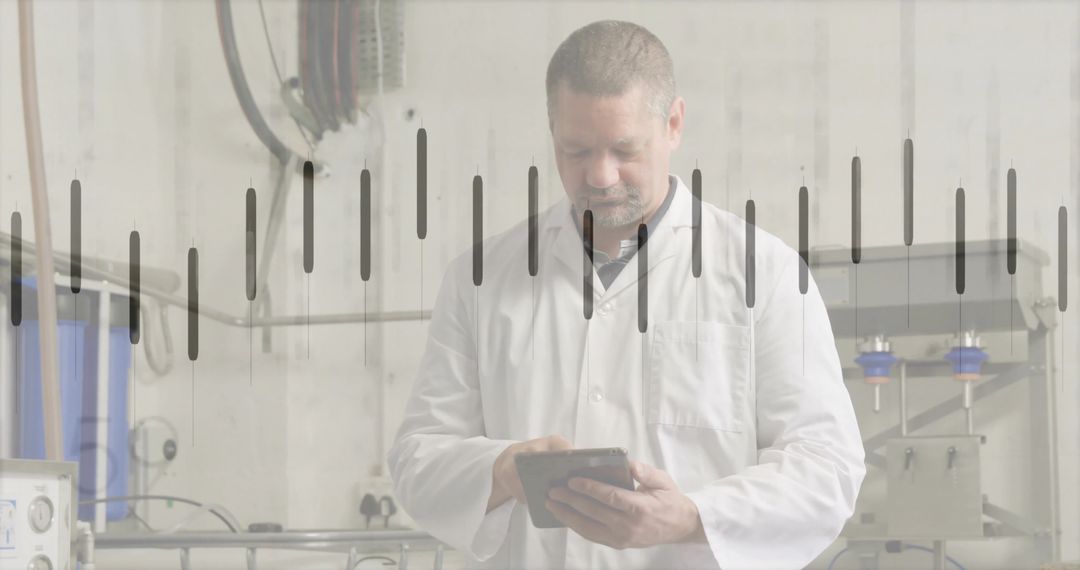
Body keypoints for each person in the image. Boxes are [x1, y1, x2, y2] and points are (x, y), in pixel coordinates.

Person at [388, 20, 864, 569]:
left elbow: (826, 467)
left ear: (674, 124)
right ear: (551, 129)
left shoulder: (765, 273)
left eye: (624, 148)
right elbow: (418, 459)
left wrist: (692, 516)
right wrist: (502, 470)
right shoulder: (481, 279)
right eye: (576, 149)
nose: (600, 173)